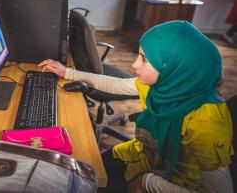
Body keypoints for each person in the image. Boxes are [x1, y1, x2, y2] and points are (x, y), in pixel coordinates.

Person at [39, 20, 234, 193]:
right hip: (144, 155)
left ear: (174, 67)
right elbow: (114, 84)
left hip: (174, 182)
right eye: (138, 55)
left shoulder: (207, 122)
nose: (134, 64)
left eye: (145, 59)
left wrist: (148, 183)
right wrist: (68, 72)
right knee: (87, 171)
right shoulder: (161, 85)